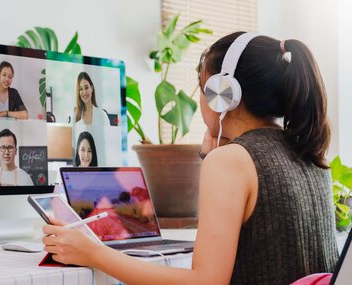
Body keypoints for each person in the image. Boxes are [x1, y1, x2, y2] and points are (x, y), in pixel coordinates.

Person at [41, 32, 338, 284]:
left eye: (202, 86)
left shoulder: (232, 161)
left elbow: (206, 281)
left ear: (223, 94)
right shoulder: (308, 152)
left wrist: (92, 253)